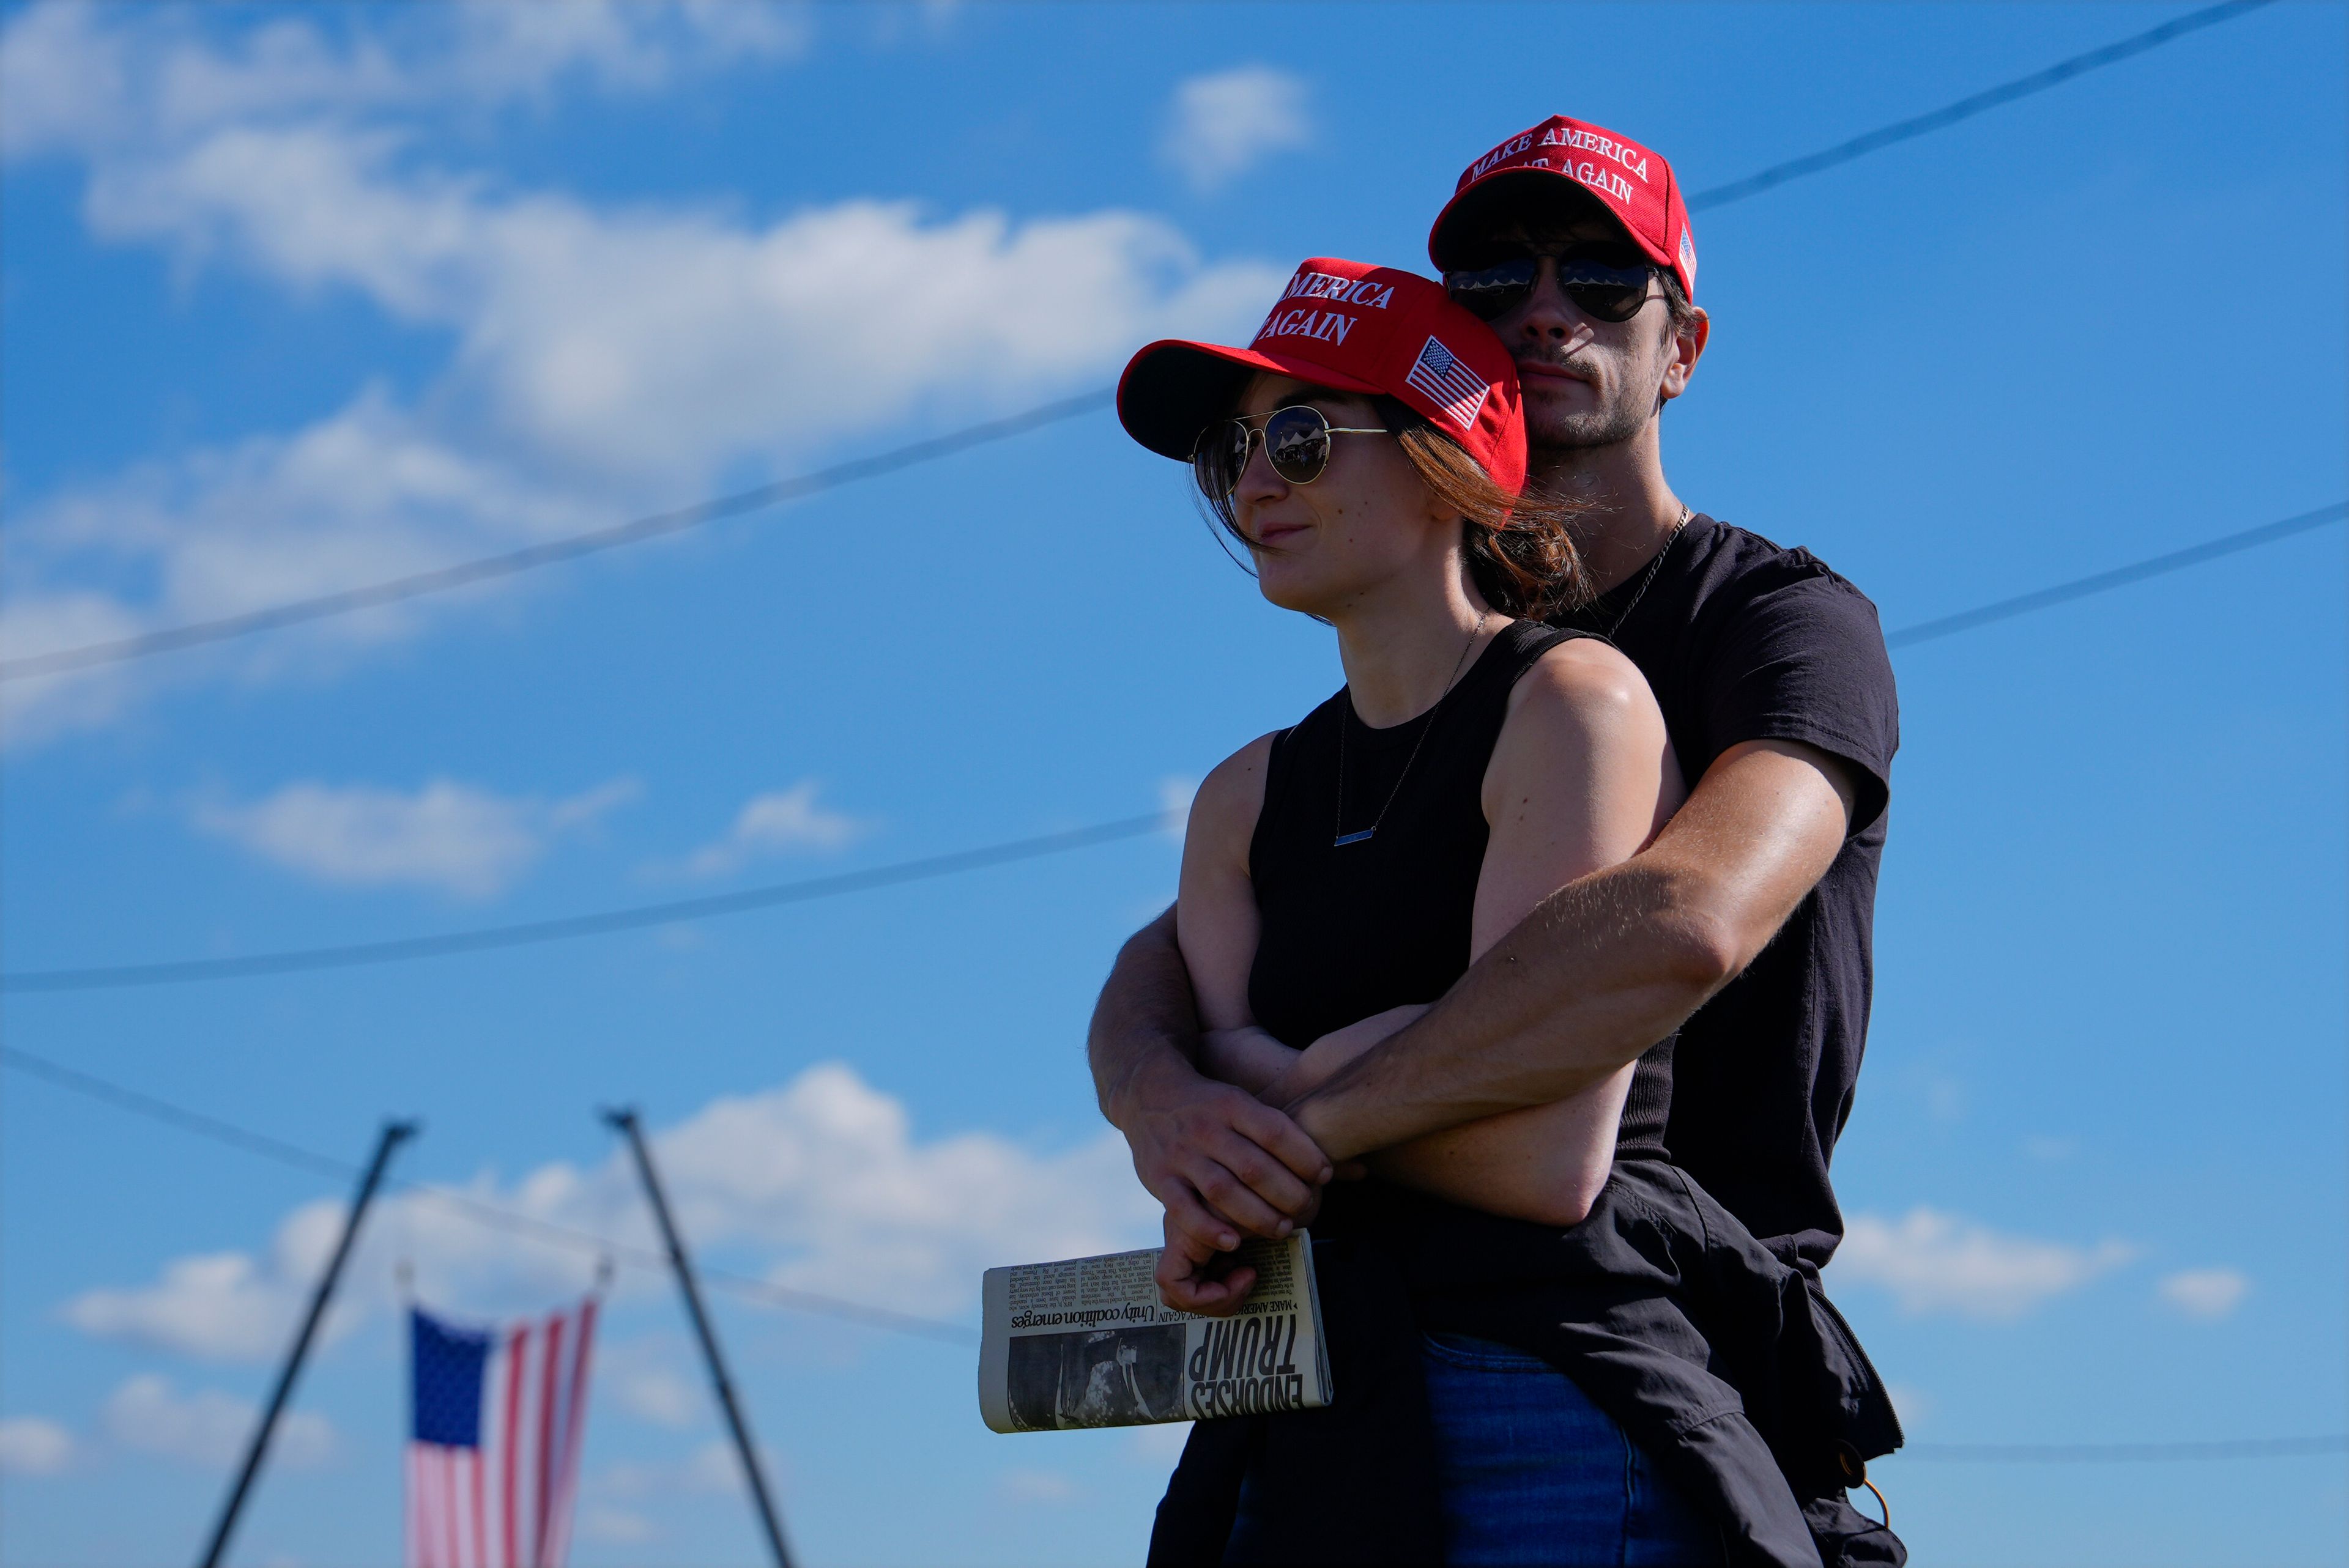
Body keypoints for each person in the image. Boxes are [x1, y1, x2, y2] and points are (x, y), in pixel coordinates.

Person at [1093, 116, 1904, 1564]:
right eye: (1489, 275)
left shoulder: (1778, 626)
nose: (1541, 306)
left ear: (1684, 348)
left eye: (1603, 278)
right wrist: (1165, 1104)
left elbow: (1680, 923)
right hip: (1345, 1356)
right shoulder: (1372, 697)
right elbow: (1158, 961)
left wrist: (1290, 1132)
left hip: (1645, 1327)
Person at [1117, 254, 1723, 1561]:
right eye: (1234, 451)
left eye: (1300, 437)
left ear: (1448, 459)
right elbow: (1227, 1167)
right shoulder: (1241, 795)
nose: (1257, 482)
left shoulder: (1573, 703)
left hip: (1538, 1403)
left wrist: (1294, 1084)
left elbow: (1546, 1160)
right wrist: (1410, 1057)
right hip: (1296, 1407)